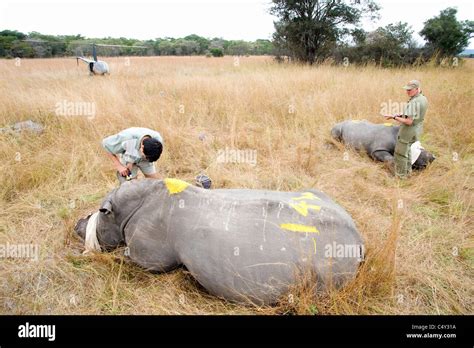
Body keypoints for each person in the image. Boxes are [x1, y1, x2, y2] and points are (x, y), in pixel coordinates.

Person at [384, 80, 428, 179]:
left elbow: (409, 121)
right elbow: (413, 116)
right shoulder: (423, 98)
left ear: (417, 89)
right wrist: (396, 115)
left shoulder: (414, 102)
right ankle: (408, 172)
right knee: (407, 151)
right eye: (407, 90)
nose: (407, 92)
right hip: (416, 130)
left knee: (400, 153)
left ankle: (400, 176)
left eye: (410, 90)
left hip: (408, 131)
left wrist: (394, 118)